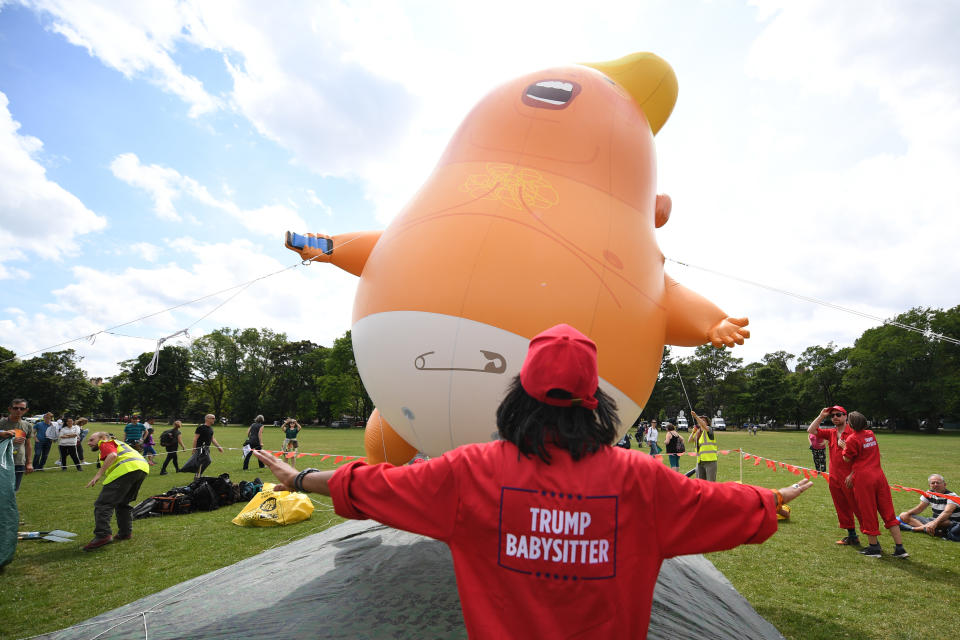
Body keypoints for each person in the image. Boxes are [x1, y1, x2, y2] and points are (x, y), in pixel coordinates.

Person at [253, 323, 811, 638]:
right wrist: (770, 502)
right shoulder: (643, 479)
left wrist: (300, 476)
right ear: (596, 403)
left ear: (520, 393)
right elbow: (718, 503)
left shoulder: (469, 471)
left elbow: (373, 486)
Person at [842, 411, 908, 558]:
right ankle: (900, 548)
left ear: (851, 424)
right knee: (888, 512)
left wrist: (843, 446)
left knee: (868, 512)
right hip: (879, 476)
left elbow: (847, 459)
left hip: (864, 479)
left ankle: (874, 547)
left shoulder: (852, 438)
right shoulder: (871, 434)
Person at [83, 431, 149, 551]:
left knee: (103, 504)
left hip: (126, 470)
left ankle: (103, 535)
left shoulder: (105, 442)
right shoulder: (118, 443)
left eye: (91, 440)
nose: (88, 443)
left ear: (102, 438)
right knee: (123, 504)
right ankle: (125, 533)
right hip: (141, 469)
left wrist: (98, 475)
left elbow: (112, 455)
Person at [808, 406, 861, 545]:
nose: (835, 417)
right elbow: (811, 430)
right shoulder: (831, 433)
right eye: (832, 416)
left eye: (838, 414)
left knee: (859, 508)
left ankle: (873, 541)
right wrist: (821, 416)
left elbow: (861, 457)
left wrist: (853, 474)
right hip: (834, 478)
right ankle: (852, 536)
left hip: (850, 478)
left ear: (845, 416)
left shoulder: (854, 433)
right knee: (841, 506)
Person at [898, 474, 960, 540]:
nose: (935, 484)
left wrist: (934, 523)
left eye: (938, 483)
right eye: (933, 483)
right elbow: (919, 508)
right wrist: (907, 514)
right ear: (929, 485)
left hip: (951, 522)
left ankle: (914, 529)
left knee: (944, 522)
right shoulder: (929, 493)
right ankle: (929, 530)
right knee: (903, 515)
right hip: (934, 520)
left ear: (944, 484)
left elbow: (947, 512)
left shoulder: (952, 496)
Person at [0, 398, 33, 491]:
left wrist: (29, 463)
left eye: (22, 408)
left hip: (19, 462)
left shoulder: (27, 425)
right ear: (10, 409)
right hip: (2, 462)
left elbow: (28, 445)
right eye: (15, 408)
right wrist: (5, 437)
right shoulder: (1, 423)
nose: (18, 410)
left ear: (26, 410)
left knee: (14, 490)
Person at [688, 411, 718, 481]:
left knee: (711, 483)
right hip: (700, 461)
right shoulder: (698, 432)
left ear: (707, 423)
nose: (701, 421)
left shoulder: (709, 429)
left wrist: (696, 416)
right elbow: (689, 441)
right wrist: (693, 431)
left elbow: (704, 425)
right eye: (700, 420)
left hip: (710, 461)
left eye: (703, 420)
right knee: (700, 483)